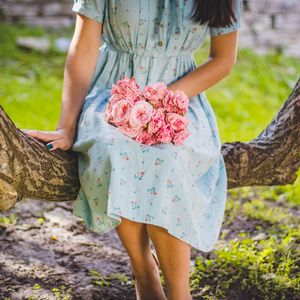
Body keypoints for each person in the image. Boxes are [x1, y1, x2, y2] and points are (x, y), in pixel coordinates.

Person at [24, 0, 242, 299]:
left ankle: (181, 294)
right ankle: (144, 270)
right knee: (115, 149)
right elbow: (84, 47)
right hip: (113, 93)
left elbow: (223, 59)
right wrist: (67, 126)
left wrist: (164, 98)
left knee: (169, 159)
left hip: (180, 96)